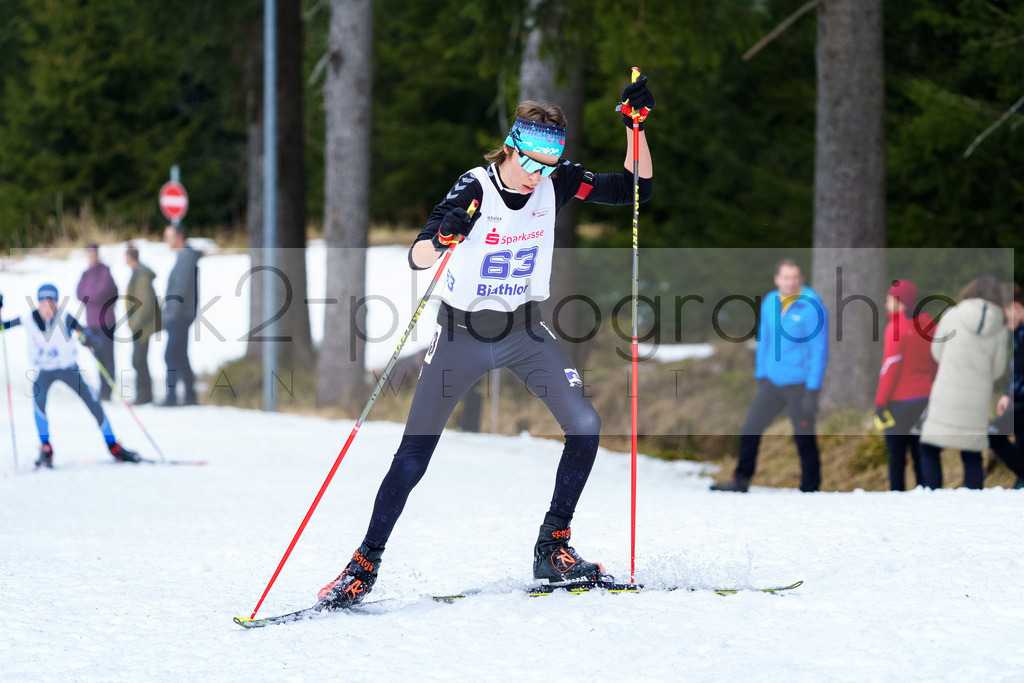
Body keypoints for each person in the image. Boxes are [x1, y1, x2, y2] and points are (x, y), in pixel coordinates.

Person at [315, 80, 655, 611]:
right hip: (461, 337)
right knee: (413, 457)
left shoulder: (559, 182)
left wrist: (635, 131)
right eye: (533, 162)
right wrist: (446, 233)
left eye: (551, 163)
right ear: (512, 147)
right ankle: (364, 564)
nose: (541, 174)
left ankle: (553, 547)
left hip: (524, 333)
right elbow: (418, 258)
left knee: (586, 426)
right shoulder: (474, 188)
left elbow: (636, 190)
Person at [711, 259, 829, 493]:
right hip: (772, 382)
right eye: (786, 277)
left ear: (801, 279)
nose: (791, 282)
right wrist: (761, 374)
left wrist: (813, 389)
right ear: (777, 279)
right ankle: (740, 480)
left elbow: (820, 350)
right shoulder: (769, 303)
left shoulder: (812, 307)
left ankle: (811, 487)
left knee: (803, 437)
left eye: (795, 277)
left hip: (801, 384)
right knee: (750, 428)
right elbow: (764, 339)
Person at [0, 284, 140, 468]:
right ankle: (46, 448)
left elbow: (88, 336)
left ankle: (114, 446)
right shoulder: (27, 318)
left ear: (57, 304)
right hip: (44, 370)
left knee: (93, 401)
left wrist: (88, 339)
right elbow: (3, 327)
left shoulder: (65, 317)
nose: (48, 309)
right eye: (43, 304)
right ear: (38, 304)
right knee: (38, 401)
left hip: (68, 369)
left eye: (51, 304)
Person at [919, 276, 1007, 489]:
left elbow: (936, 351)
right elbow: (998, 370)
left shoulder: (952, 315)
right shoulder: (1001, 328)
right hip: (977, 399)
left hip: (946, 393)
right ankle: (972, 500)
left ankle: (933, 493)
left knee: (929, 447)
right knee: (972, 453)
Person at [874, 280, 937, 491]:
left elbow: (890, 369)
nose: (885, 304)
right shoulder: (930, 326)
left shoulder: (896, 328)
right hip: (926, 398)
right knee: (922, 454)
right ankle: (926, 494)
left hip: (899, 402)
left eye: (889, 300)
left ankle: (897, 496)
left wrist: (880, 403)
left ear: (900, 302)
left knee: (897, 456)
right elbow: (936, 363)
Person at [988, 282, 1024, 487]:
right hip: (1017, 400)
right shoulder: (1017, 332)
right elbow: (1016, 370)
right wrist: (1007, 394)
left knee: (993, 431)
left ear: (1016, 307)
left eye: (1004, 315)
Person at [162, 224, 200, 406]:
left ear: (179, 237)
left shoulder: (186, 258)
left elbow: (182, 289)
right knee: (180, 356)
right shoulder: (183, 257)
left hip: (180, 316)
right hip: (179, 315)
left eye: (168, 236)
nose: (166, 240)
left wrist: (171, 314)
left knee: (170, 355)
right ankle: (190, 396)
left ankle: (172, 397)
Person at [76, 243, 118, 400]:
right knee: (98, 356)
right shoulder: (86, 273)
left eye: (93, 253)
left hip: (106, 321)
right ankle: (103, 388)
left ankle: (108, 390)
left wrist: (90, 295)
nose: (91, 256)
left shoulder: (105, 271)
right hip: (92, 322)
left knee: (108, 356)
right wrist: (90, 295)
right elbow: (79, 293)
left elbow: (100, 293)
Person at [125, 246, 161, 405]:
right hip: (139, 326)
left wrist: (136, 323)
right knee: (139, 360)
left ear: (129, 256)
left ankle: (144, 396)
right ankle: (144, 395)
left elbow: (145, 304)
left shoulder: (141, 277)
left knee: (139, 360)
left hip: (142, 328)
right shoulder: (138, 274)